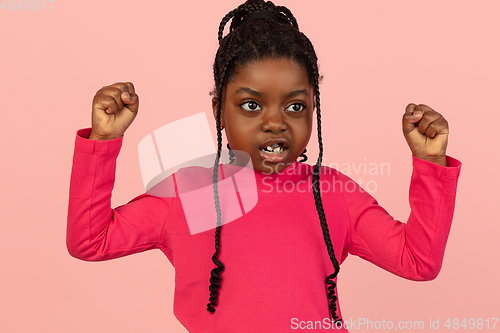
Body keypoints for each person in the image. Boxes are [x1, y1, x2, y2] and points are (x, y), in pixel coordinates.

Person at [66, 0, 462, 331]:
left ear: (314, 112)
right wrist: (103, 142)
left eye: (295, 106)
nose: (275, 122)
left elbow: (418, 261)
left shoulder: (333, 194)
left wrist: (430, 163)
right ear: (219, 110)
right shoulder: (189, 194)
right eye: (251, 105)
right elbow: (90, 241)